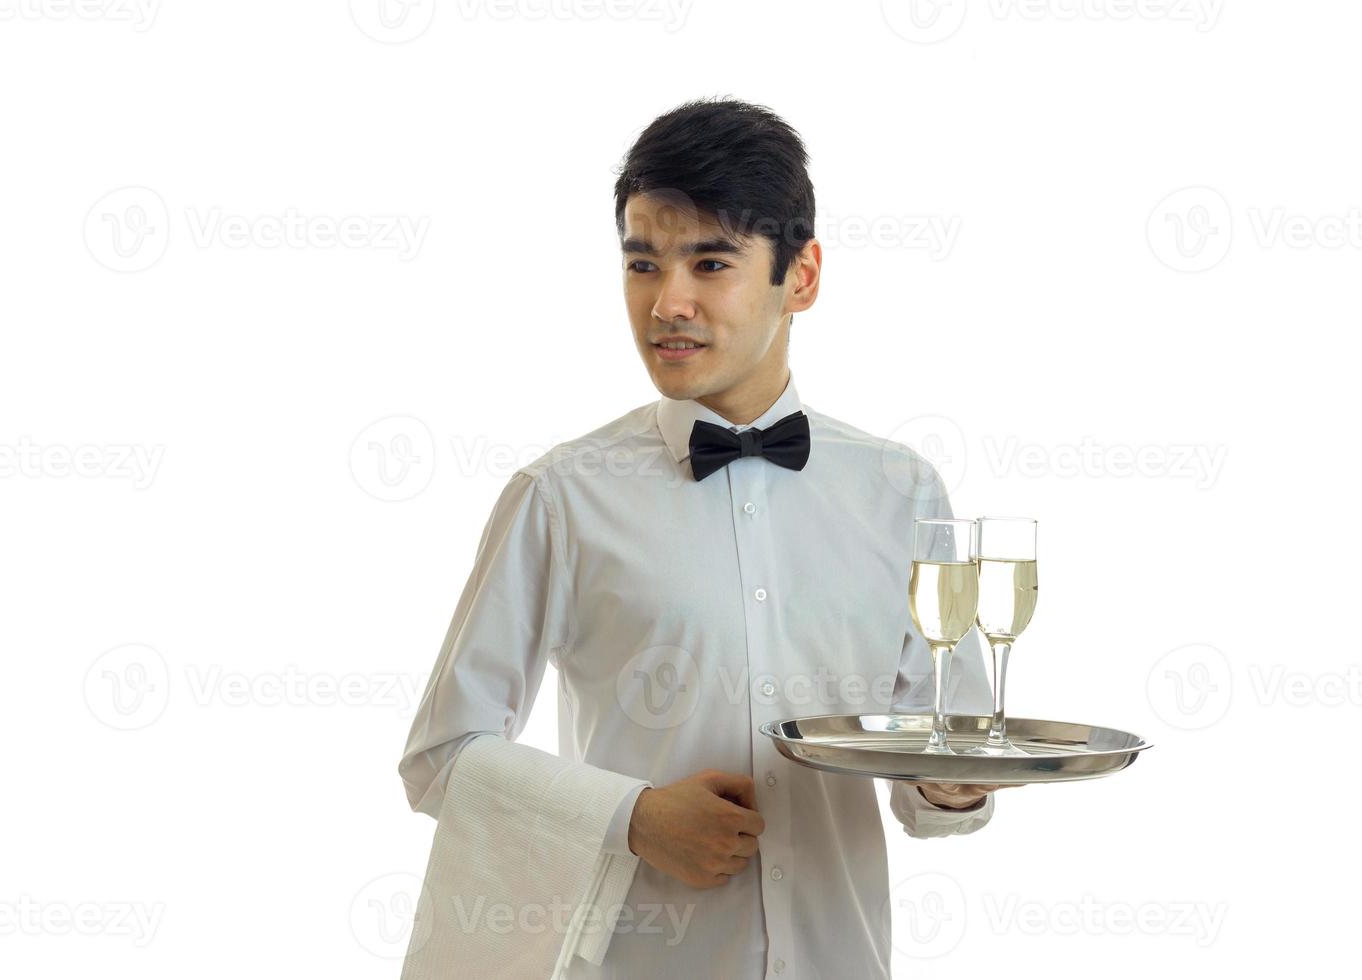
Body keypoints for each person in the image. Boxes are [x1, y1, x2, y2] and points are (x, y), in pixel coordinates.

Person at [398, 96, 1016, 979]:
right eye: (643, 263)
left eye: (711, 262)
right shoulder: (562, 498)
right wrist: (633, 817)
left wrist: (952, 785)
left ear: (800, 277)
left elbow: (937, 783)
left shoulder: (901, 491)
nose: (667, 302)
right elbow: (440, 758)